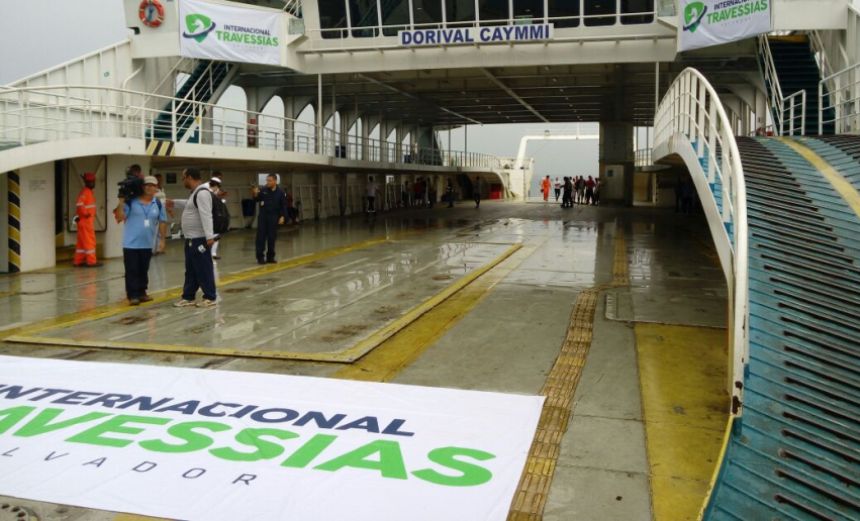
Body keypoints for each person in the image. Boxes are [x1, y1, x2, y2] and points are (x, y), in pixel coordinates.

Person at [114, 176, 167, 305]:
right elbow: (119, 217)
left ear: (156, 188)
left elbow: (162, 222)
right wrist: (121, 202)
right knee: (132, 270)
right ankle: (132, 295)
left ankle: (142, 292)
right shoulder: (131, 202)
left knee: (144, 269)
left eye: (152, 185)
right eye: (146, 185)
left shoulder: (158, 203)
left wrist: (162, 240)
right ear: (142, 187)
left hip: (147, 244)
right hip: (131, 244)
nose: (149, 187)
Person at [173, 168, 218, 308]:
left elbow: (206, 214)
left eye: (183, 178)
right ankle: (188, 296)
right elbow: (189, 205)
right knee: (191, 269)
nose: (182, 181)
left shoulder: (202, 193)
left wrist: (209, 237)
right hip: (191, 239)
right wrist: (173, 202)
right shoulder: (196, 193)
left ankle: (210, 297)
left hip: (200, 239)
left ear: (189, 177)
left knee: (204, 268)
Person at [251, 174, 287, 264]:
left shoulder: (281, 192)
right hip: (263, 217)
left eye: (270, 180)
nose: (268, 182)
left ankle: (270, 257)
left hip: (274, 217)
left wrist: (282, 216)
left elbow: (283, 205)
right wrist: (255, 193)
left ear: (275, 181)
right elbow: (256, 199)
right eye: (267, 180)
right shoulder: (263, 190)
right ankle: (260, 257)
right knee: (261, 238)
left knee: (272, 238)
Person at [73, 172, 101, 267]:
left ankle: (78, 261)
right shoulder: (86, 192)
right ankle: (91, 261)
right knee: (90, 241)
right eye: (91, 182)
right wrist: (86, 214)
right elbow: (79, 204)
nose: (93, 183)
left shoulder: (87, 192)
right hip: (86, 222)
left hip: (83, 221)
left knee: (81, 242)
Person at [208, 177, 226, 260]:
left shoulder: (212, 193)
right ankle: (210, 253)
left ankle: (213, 253)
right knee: (211, 236)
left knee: (216, 236)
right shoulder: (208, 192)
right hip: (210, 218)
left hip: (215, 218)